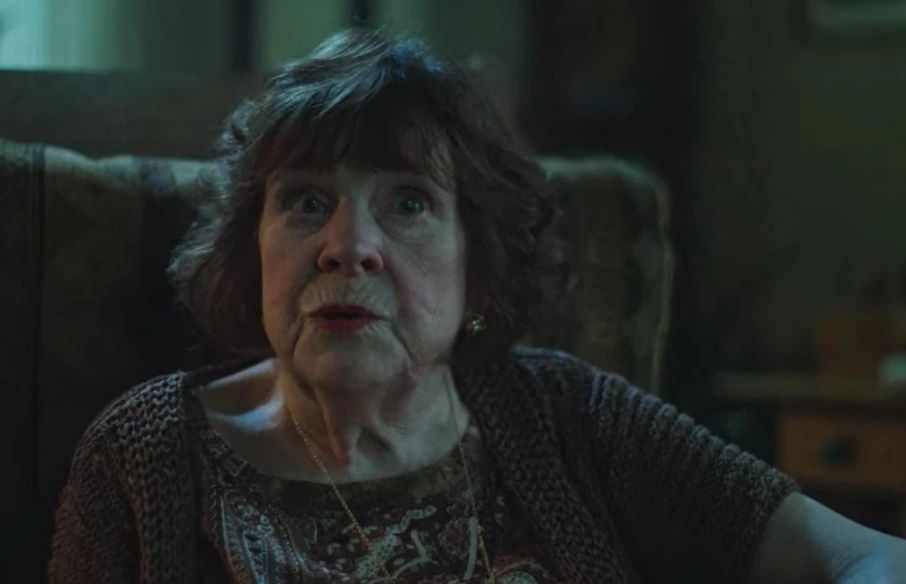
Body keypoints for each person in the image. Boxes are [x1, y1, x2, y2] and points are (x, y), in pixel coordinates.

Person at [47, 29, 905, 583]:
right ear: (252, 247)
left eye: (408, 202)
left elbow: (867, 559)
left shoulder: (569, 415)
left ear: (476, 259)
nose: (348, 246)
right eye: (307, 201)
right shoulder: (144, 455)